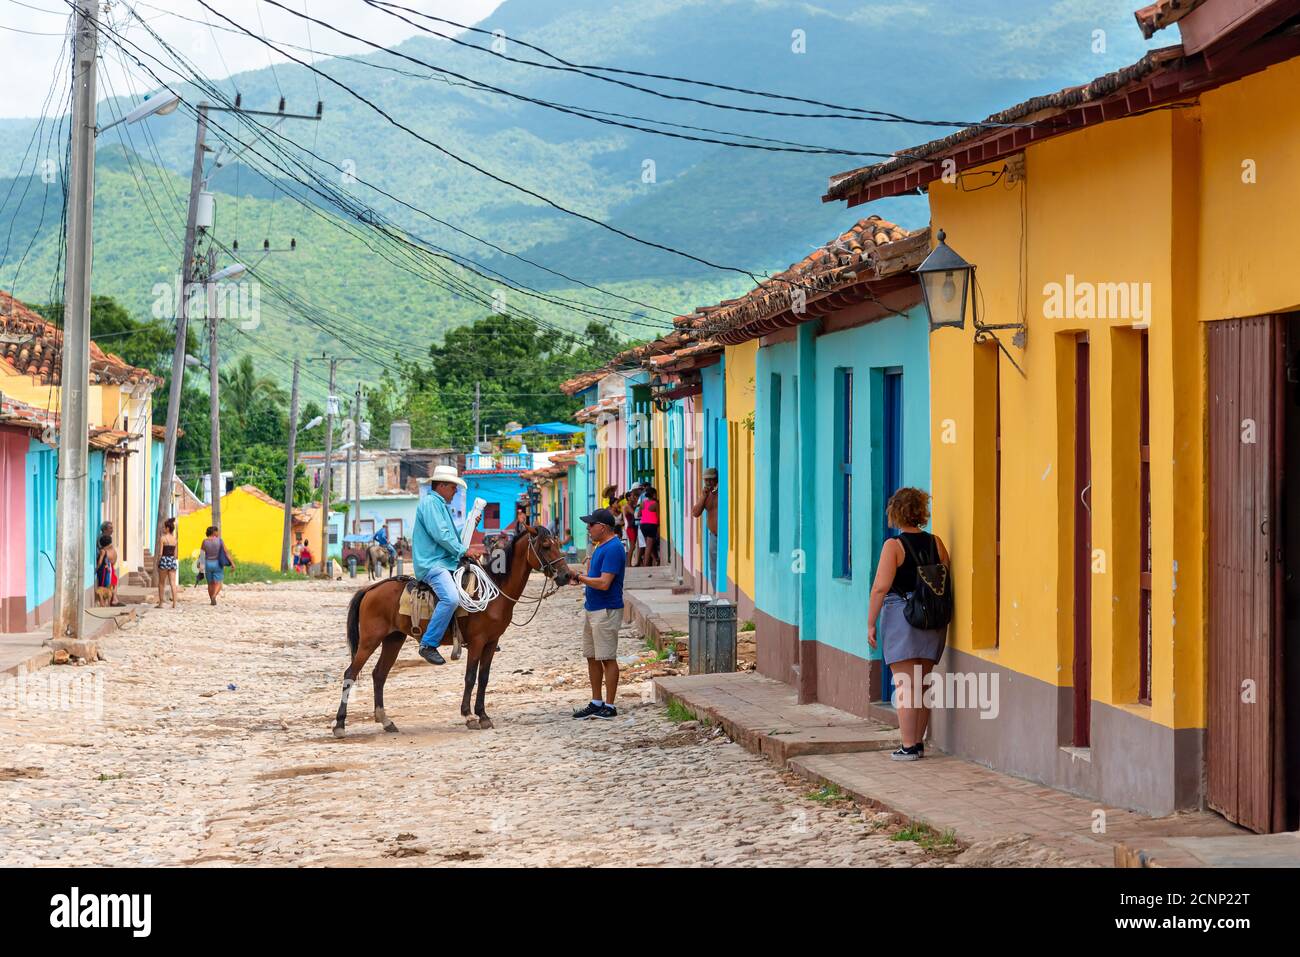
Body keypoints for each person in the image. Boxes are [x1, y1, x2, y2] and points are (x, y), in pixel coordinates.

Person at [867, 487, 950, 761]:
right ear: (921, 512)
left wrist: (870, 623)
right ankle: (918, 742)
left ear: (895, 513)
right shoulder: (936, 543)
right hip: (933, 620)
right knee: (922, 685)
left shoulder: (894, 546)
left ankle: (908, 746)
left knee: (905, 685)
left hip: (903, 617)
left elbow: (880, 587)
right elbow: (944, 578)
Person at [568, 507, 625, 720]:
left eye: (591, 525)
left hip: (606, 609)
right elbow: (595, 577)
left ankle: (610, 705)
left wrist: (580, 577)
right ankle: (596, 701)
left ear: (602, 527)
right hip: (593, 608)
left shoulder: (614, 548)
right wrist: (583, 578)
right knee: (592, 657)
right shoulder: (600, 547)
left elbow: (604, 583)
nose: (588, 528)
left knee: (607, 657)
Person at [412, 464, 469, 666]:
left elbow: (450, 534)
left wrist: (471, 523)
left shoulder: (439, 505)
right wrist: (462, 551)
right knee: (451, 598)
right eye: (453, 487)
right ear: (442, 485)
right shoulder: (430, 503)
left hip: (444, 561)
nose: (455, 492)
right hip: (432, 564)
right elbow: (441, 535)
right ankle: (428, 643)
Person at [692, 467, 720, 588]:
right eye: (706, 480)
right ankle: (715, 591)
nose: (708, 482)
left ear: (716, 480)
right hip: (713, 536)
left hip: (725, 536)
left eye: (710, 480)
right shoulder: (706, 495)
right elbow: (695, 513)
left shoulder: (721, 493)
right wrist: (703, 496)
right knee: (713, 567)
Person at [200, 526, 234, 606]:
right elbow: (226, 552)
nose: (218, 533)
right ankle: (214, 596)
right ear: (214, 532)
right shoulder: (220, 541)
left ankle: (211, 599)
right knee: (218, 583)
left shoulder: (204, 541)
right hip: (217, 563)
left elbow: (202, 554)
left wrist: (201, 567)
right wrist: (232, 563)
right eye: (217, 531)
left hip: (207, 563)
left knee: (210, 583)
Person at [155, 518, 180, 609]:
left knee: (161, 583)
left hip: (164, 560)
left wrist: (158, 561)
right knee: (173, 583)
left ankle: (161, 603)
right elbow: (176, 555)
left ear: (168, 528)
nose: (163, 529)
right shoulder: (175, 540)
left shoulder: (163, 538)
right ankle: (174, 603)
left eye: (164, 527)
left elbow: (160, 552)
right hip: (172, 560)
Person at [94, 527, 118, 607]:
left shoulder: (103, 551)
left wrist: (96, 569)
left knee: (102, 586)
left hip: (104, 570)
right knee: (110, 585)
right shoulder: (112, 550)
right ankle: (110, 601)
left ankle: (103, 602)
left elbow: (100, 561)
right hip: (110, 569)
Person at [638, 486, 661, 566]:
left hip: (643, 525)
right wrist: (658, 527)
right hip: (651, 525)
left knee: (648, 545)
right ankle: (645, 564)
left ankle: (655, 560)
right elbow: (658, 516)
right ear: (653, 494)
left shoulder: (642, 503)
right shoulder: (655, 504)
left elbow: (638, 514)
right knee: (648, 547)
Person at [622, 487, 641, 566]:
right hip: (630, 528)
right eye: (633, 496)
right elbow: (634, 513)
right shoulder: (627, 506)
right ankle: (628, 563)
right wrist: (638, 504)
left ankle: (629, 563)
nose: (634, 497)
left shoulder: (631, 505)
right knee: (632, 546)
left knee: (633, 545)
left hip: (633, 527)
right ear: (628, 498)